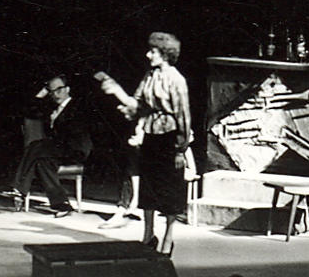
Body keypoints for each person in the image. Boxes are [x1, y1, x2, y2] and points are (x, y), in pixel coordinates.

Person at [99, 31, 193, 254]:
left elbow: (184, 117)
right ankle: (148, 235)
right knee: (149, 188)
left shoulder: (177, 80)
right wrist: (117, 91)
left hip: (170, 139)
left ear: (164, 53)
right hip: (151, 136)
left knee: (170, 189)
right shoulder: (150, 76)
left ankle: (168, 239)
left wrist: (181, 149)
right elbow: (137, 104)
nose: (148, 54)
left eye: (153, 51)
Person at [13, 74, 91, 216]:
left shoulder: (77, 106)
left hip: (75, 149)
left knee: (37, 145)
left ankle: (19, 188)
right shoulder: (53, 109)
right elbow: (27, 110)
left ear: (68, 89)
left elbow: (73, 134)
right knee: (42, 162)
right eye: (52, 91)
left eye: (59, 89)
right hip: (57, 151)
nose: (55, 94)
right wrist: (43, 92)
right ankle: (62, 204)